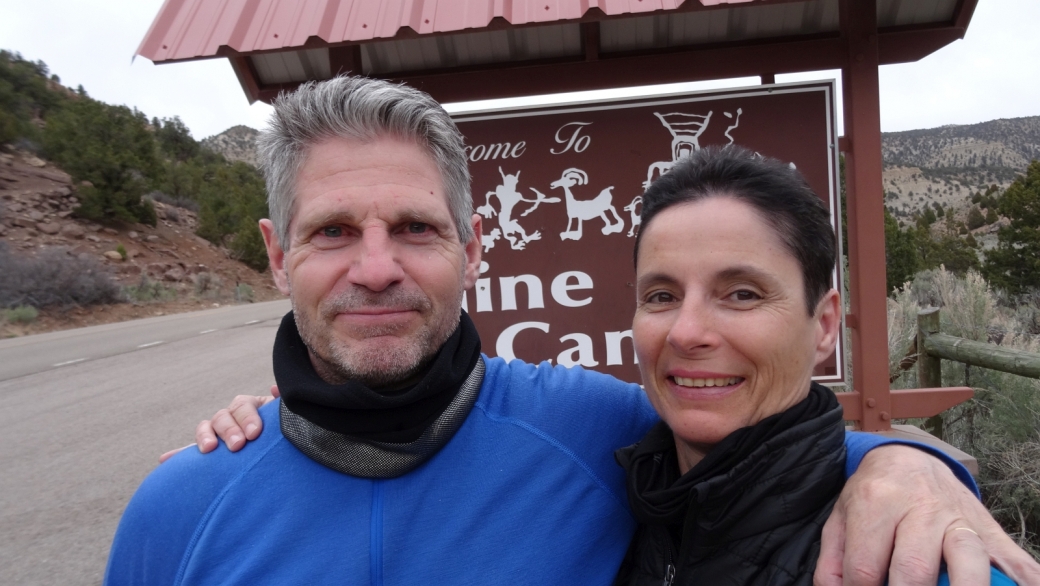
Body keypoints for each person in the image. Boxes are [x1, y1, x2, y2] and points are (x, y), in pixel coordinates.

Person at [107, 75, 1040, 586]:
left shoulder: (590, 430)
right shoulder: (179, 507)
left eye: (417, 229)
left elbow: (766, 446)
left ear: (474, 249)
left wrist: (909, 463)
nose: (377, 266)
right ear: (276, 254)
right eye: (334, 231)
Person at [611, 146, 1015, 585]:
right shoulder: (610, 501)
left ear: (824, 325)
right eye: (661, 296)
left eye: (743, 294)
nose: (685, 333)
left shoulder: (923, 562)